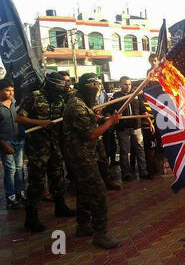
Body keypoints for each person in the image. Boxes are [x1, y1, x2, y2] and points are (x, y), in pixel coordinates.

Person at [63, 73, 121, 249]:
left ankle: (83, 225)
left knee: (83, 189)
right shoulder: (76, 106)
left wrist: (99, 119)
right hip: (81, 156)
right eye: (94, 85)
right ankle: (100, 234)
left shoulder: (80, 102)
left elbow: (89, 120)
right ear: (86, 86)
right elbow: (91, 134)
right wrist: (110, 122)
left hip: (83, 154)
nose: (97, 89)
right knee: (98, 191)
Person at [16, 72, 76, 232]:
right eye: (57, 89)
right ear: (49, 86)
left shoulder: (60, 98)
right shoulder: (33, 97)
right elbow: (19, 118)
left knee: (57, 176)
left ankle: (60, 206)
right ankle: (31, 217)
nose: (60, 92)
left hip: (54, 144)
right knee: (37, 182)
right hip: (37, 147)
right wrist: (40, 123)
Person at [105, 76, 153, 181]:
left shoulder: (135, 95)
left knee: (140, 150)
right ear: (120, 85)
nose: (128, 86)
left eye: (129, 84)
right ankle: (125, 174)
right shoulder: (116, 97)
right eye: (125, 84)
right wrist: (109, 119)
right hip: (123, 129)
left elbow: (143, 110)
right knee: (124, 151)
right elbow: (108, 111)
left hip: (136, 127)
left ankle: (143, 172)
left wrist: (150, 123)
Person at [0, 78, 25, 210]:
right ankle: (11, 197)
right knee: (10, 170)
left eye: (12, 90)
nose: (11, 93)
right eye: (7, 90)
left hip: (19, 140)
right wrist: (4, 144)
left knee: (19, 168)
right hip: (6, 142)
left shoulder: (15, 103)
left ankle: (20, 193)